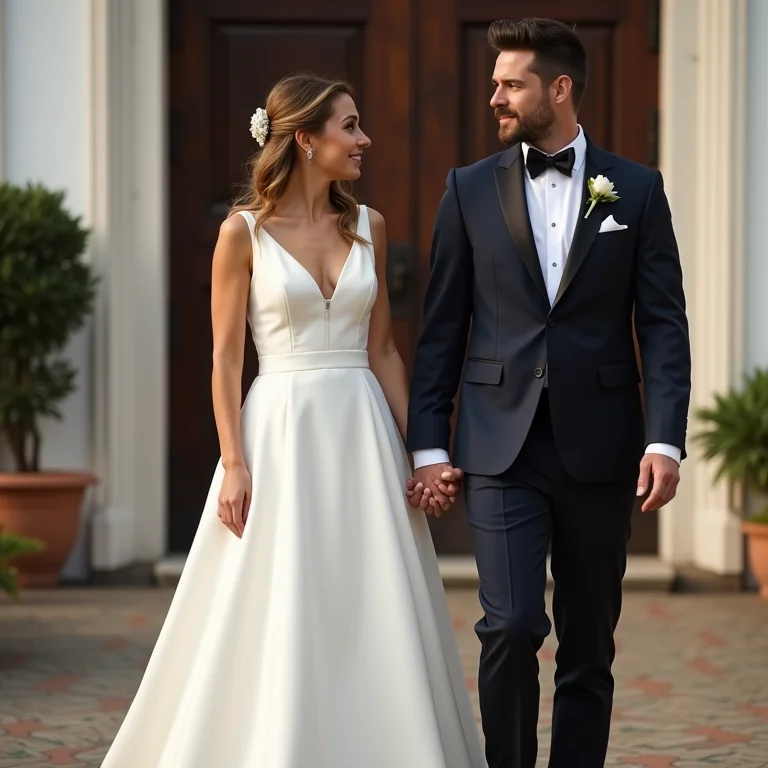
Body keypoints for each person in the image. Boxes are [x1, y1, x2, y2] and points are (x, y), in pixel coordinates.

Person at [101, 73, 486, 768]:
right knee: (280, 595)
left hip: (362, 434)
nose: (365, 139)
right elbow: (225, 359)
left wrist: (424, 451)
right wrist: (234, 463)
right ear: (306, 139)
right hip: (279, 435)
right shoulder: (241, 233)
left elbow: (384, 351)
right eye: (350, 126)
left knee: (373, 597)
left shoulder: (369, 226)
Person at [405, 18, 692, 768]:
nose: (495, 98)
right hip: (500, 445)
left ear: (559, 89)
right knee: (510, 625)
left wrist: (665, 438)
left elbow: (663, 323)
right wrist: (429, 444)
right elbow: (442, 327)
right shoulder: (468, 189)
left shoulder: (637, 189)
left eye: (511, 84)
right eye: (495, 83)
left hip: (602, 446)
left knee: (589, 642)